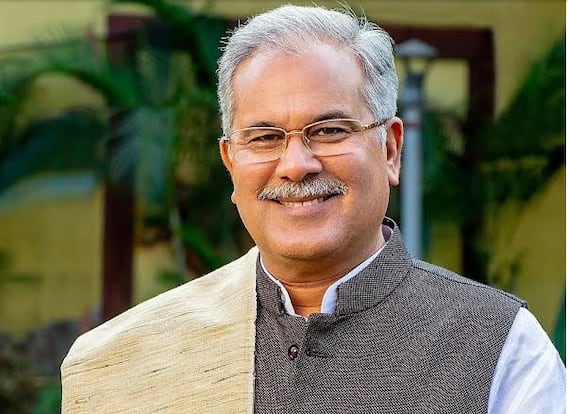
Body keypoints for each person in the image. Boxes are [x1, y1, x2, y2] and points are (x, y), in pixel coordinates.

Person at [61, 5, 565, 413]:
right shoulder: (125, 358)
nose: (296, 165)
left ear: (391, 149)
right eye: (264, 138)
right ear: (231, 162)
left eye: (329, 131)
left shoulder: (498, 346)